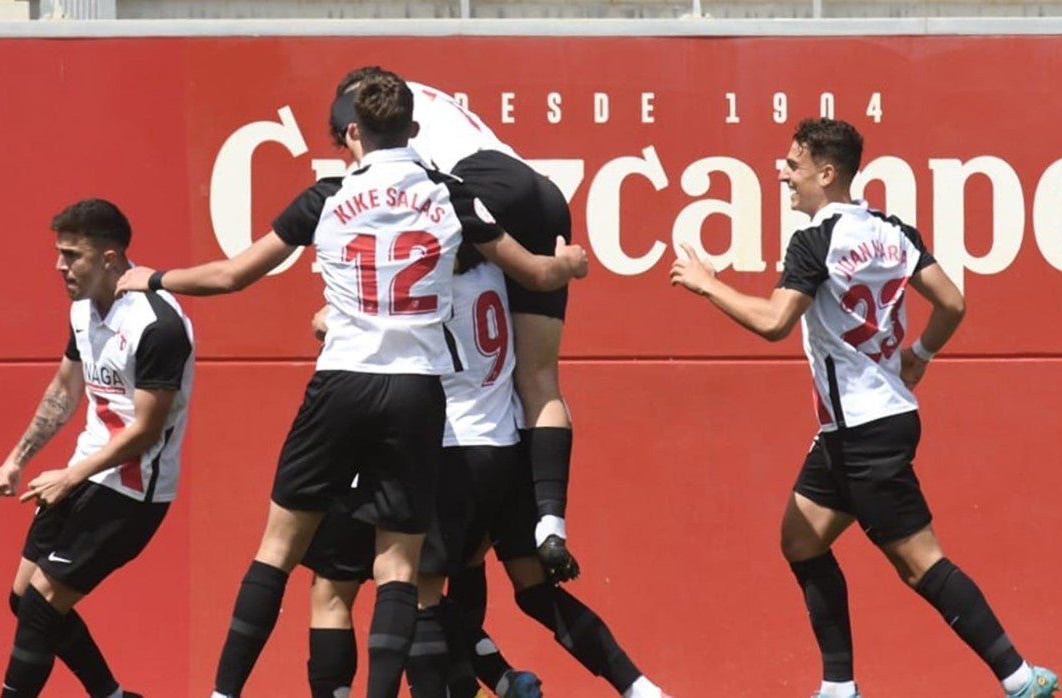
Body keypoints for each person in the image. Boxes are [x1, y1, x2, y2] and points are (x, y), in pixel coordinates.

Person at [116, 70, 587, 698]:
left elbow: (230, 277)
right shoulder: (452, 197)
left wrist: (154, 278)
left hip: (340, 383)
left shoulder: (326, 197)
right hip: (416, 395)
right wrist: (571, 265)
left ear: (351, 134)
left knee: (277, 551)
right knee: (398, 567)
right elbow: (536, 269)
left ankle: (223, 693)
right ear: (415, 131)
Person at [669, 117, 1058, 698]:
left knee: (920, 564)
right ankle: (839, 687)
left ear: (827, 174)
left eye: (793, 165)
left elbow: (775, 323)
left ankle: (1020, 678)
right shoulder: (891, 228)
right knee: (800, 540)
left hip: (862, 431)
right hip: (863, 423)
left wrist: (707, 285)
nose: (782, 174)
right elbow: (951, 301)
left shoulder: (815, 240)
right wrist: (919, 354)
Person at [304, 242, 672, 698]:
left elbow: (358, 333)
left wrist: (333, 323)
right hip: (508, 446)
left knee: (414, 594)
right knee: (531, 589)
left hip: (451, 448)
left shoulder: (427, 284)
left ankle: (488, 682)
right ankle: (638, 688)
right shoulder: (498, 276)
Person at [329, 67, 582, 583]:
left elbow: (378, 187)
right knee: (538, 378)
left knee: (395, 290)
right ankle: (551, 525)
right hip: (542, 194)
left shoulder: (360, 104)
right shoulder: (427, 97)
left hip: (483, 186)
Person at [0, 198, 195, 698]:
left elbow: (145, 430)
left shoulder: (158, 324)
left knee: (41, 604)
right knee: (24, 599)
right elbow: (64, 388)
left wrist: (70, 476)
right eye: (59, 253)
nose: (60, 266)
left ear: (109, 258)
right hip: (85, 472)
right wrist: (17, 460)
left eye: (71, 255)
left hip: (133, 490)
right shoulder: (83, 310)